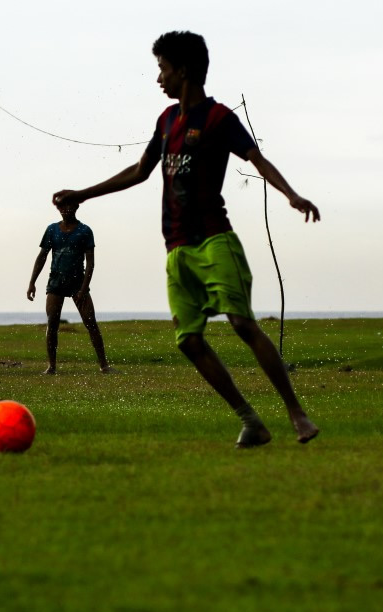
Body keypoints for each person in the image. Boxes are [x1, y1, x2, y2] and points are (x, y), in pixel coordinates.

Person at [52, 31, 319, 446]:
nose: (159, 77)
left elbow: (257, 159)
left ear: (184, 70)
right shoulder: (166, 121)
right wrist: (83, 193)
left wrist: (291, 194)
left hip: (215, 240)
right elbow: (140, 171)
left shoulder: (219, 119)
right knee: (189, 340)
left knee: (242, 323)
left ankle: (296, 412)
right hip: (176, 249)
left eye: (163, 68)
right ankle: (251, 420)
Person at [27, 201, 113, 375]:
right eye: (62, 207)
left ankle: (104, 365)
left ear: (76, 208)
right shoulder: (52, 230)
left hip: (77, 283)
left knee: (91, 323)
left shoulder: (85, 231)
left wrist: (83, 289)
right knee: (52, 323)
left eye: (70, 207)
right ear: (58, 209)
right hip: (56, 283)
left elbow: (90, 263)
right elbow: (42, 256)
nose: (66, 210)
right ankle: (51, 366)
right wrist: (32, 282)